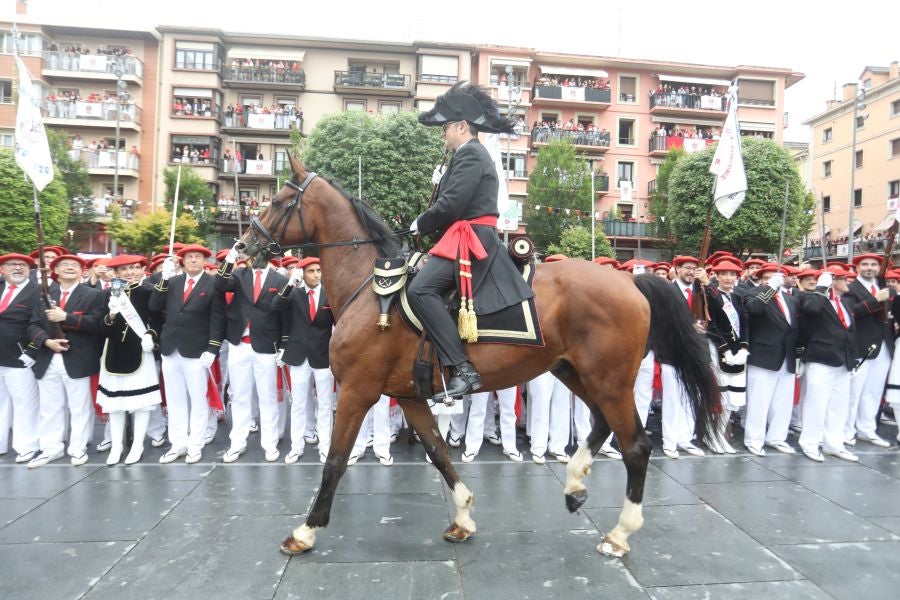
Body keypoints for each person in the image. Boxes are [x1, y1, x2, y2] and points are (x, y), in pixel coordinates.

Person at [409, 82, 532, 402]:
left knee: (420, 289)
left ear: (462, 126)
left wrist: (420, 223)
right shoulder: (469, 155)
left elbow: (451, 205)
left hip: (471, 239)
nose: (443, 134)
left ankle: (463, 369)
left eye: (446, 127)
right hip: (464, 235)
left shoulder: (470, 155)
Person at [25, 255, 104, 468]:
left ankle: (78, 448)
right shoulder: (43, 295)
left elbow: (97, 325)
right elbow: (32, 325)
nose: (70, 267)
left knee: (79, 408)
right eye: (64, 265)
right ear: (55, 271)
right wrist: (46, 341)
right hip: (48, 357)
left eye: (75, 265)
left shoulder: (93, 295)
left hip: (78, 358)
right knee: (50, 408)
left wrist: (66, 318)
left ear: (82, 271)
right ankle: (51, 448)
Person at [150, 245, 226, 464]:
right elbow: (154, 306)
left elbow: (217, 318)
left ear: (204, 260)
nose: (193, 260)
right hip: (170, 347)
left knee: (198, 399)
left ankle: (195, 444)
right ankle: (178, 443)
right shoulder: (172, 282)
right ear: (182, 261)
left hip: (197, 349)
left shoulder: (213, 284)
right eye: (189, 257)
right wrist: (163, 278)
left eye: (198, 257)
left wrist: (213, 348)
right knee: (175, 400)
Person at [215, 242, 289, 463]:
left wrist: (283, 346)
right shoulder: (239, 275)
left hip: (266, 345)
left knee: (267, 397)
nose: (254, 257)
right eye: (252, 254)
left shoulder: (280, 280)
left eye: (259, 253)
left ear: (267, 255)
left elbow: (285, 315)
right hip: (239, 344)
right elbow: (219, 284)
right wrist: (230, 257)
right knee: (239, 397)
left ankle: (270, 442)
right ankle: (237, 442)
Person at [97, 255, 164, 465]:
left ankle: (137, 445)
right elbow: (101, 328)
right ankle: (117, 446)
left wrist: (151, 335)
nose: (130, 272)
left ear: (142, 269)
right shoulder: (108, 293)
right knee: (115, 404)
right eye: (124, 269)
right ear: (116, 273)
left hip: (140, 352)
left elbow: (158, 320)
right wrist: (111, 316)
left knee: (142, 404)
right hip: (114, 351)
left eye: (135, 268)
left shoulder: (149, 291)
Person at [271, 257, 336, 465]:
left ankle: (325, 446)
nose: (316, 274)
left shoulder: (330, 295)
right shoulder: (295, 294)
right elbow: (275, 305)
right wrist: (290, 283)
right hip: (298, 355)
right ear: (302, 273)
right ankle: (296, 447)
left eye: (319, 270)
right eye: (311, 271)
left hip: (323, 356)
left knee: (325, 404)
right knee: (298, 404)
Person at [797, 267, 860, 461]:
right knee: (816, 404)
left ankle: (833, 443)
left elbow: (849, 332)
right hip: (821, 359)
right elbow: (810, 308)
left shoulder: (845, 303)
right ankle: (810, 443)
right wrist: (821, 286)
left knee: (838, 405)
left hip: (843, 360)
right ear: (834, 281)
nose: (848, 282)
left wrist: (854, 357)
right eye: (844, 279)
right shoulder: (815, 299)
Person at [743, 264, 799, 456]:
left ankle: (777, 437)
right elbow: (754, 309)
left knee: (783, 402)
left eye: (774, 278)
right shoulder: (752, 293)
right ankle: (754, 439)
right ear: (761, 279)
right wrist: (769, 289)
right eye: (766, 278)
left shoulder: (790, 299)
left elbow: (794, 327)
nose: (771, 281)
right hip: (763, 355)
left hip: (787, 356)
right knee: (759, 401)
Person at [842, 253, 894, 448]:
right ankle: (846, 431)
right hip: (860, 347)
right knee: (854, 392)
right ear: (857, 268)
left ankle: (867, 429)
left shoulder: (882, 286)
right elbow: (850, 313)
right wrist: (875, 300)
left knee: (873, 391)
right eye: (865, 264)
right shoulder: (850, 288)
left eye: (873, 264)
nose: (869, 268)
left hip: (883, 346)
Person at [703, 259, 749, 454]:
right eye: (724, 274)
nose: (729, 278)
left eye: (732, 274)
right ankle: (710, 435)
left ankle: (720, 434)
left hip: (738, 352)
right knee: (719, 395)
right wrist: (725, 348)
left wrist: (744, 347)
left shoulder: (737, 297)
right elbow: (711, 325)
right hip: (719, 350)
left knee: (733, 396)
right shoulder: (710, 295)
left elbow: (745, 322)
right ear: (717, 276)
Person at [661, 255, 706, 458]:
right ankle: (669, 442)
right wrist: (689, 326)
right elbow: (663, 319)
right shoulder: (667, 291)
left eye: (694, 268)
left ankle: (685, 438)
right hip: (672, 352)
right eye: (687, 268)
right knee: (672, 399)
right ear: (676, 269)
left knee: (690, 398)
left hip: (694, 353)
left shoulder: (700, 290)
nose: (690, 272)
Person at [0, 253, 42, 464]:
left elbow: (42, 324)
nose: (17, 268)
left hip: (20, 357)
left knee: (25, 404)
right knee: (1, 404)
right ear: (2, 269)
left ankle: (27, 445)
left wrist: (32, 352)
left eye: (22, 265)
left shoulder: (37, 292)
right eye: (12, 264)